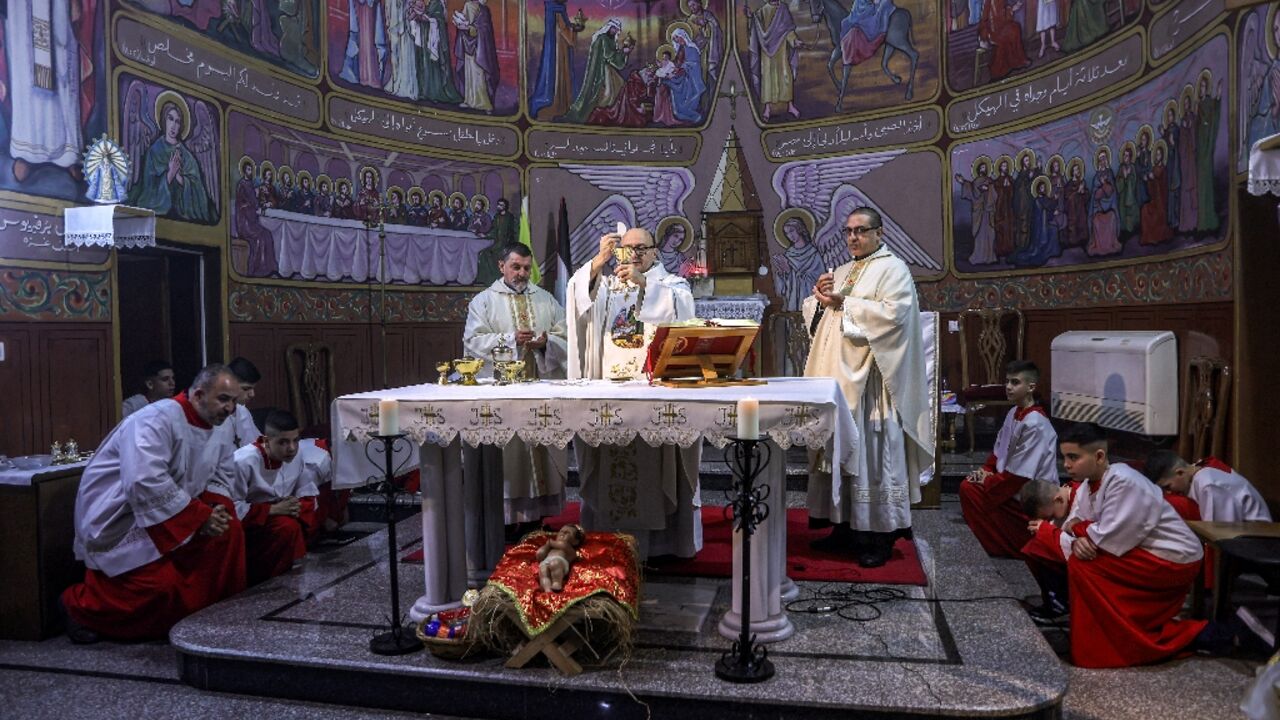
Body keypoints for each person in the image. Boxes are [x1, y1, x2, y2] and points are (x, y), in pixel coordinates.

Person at [60, 365, 246, 643]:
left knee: (229, 534)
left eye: (233, 401)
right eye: (223, 399)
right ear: (198, 395)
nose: (229, 408)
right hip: (124, 516)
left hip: (178, 511)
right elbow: (144, 480)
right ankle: (79, 606)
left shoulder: (222, 424)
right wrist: (199, 516)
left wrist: (216, 509)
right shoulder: (154, 419)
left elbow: (222, 471)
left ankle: (206, 614)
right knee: (162, 587)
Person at [803, 207, 934, 568]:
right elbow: (823, 317)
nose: (853, 237)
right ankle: (842, 527)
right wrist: (819, 300)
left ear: (879, 232)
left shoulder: (894, 269)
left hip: (873, 385)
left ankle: (879, 536)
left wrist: (843, 302)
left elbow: (895, 316)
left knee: (873, 456)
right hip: (839, 381)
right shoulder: (842, 271)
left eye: (860, 230)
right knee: (842, 452)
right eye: (848, 231)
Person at [566, 228, 701, 558]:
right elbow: (576, 298)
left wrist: (645, 285)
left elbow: (684, 312)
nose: (635, 254)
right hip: (610, 394)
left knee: (656, 468)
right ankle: (608, 539)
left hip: (654, 394)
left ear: (655, 252)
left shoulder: (671, 285)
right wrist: (596, 264)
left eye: (642, 248)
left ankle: (662, 546)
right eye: (627, 249)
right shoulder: (608, 286)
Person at [1057, 423, 1208, 668]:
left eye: (1073, 457)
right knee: (1075, 556)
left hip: (1173, 558)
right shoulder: (1085, 486)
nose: (1066, 465)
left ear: (1099, 456)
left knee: (1084, 565)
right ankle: (1111, 634)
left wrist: (1079, 531)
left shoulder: (1124, 480)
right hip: (1141, 552)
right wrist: (1078, 537)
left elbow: (1109, 536)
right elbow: (1076, 525)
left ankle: (1121, 642)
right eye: (1064, 457)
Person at [463, 243, 569, 535]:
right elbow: (472, 342)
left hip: (540, 394)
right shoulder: (484, 301)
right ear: (502, 266)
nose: (522, 273)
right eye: (515, 267)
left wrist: (546, 343)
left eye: (526, 267)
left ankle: (537, 518)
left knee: (540, 452)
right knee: (511, 458)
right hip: (504, 396)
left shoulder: (546, 299)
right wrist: (510, 340)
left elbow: (566, 336)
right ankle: (508, 521)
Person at [959, 360, 1059, 559]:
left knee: (971, 490)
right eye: (1007, 382)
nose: (1008, 387)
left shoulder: (1035, 424)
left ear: (1031, 387)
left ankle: (1010, 545)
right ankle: (995, 540)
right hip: (1009, 484)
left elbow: (1020, 476)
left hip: (1031, 496)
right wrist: (985, 470)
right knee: (968, 487)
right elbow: (1000, 450)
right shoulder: (1013, 413)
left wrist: (988, 481)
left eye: (1015, 382)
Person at [225, 409, 327, 585]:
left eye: (295, 440)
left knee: (296, 523)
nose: (292, 448)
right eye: (283, 442)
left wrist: (297, 505)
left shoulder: (296, 455)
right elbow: (230, 507)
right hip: (250, 527)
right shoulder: (243, 462)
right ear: (266, 441)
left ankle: (293, 577)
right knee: (286, 527)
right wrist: (272, 509)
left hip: (282, 515)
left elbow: (305, 489)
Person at [1143, 450, 1272, 523]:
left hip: (1257, 539)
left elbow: (1219, 533)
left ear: (1180, 472)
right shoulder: (1196, 472)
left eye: (1167, 487)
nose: (1169, 493)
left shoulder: (1208, 484)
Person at [1018, 478, 1081, 623]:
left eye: (1050, 517)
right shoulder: (1065, 498)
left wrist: (1045, 531)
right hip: (1074, 549)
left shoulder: (1081, 502)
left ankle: (1061, 605)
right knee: (1037, 545)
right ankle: (1056, 601)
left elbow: (1081, 545)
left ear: (1058, 500)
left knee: (1040, 545)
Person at [565, 19, 631, 124]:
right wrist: (623, 52)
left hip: (608, 68)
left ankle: (612, 113)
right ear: (609, 27)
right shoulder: (603, 38)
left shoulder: (610, 39)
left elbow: (612, 54)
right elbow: (609, 56)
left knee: (620, 86)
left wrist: (623, 52)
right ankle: (600, 113)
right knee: (608, 92)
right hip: (602, 69)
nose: (615, 31)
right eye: (614, 29)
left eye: (616, 30)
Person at [746, 0, 802, 120]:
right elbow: (756, 27)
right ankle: (767, 108)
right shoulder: (762, 11)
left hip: (781, 51)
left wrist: (794, 41)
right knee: (767, 79)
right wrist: (750, 17)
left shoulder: (783, 9)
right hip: (766, 52)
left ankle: (790, 105)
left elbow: (788, 30)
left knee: (786, 77)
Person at [454, 0, 500, 113]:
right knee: (469, 73)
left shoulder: (484, 10)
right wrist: (460, 25)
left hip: (479, 48)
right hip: (467, 44)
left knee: (479, 74)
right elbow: (464, 20)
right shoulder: (467, 5)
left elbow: (485, 29)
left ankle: (484, 103)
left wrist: (470, 28)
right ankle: (469, 100)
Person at [227, 356, 264, 448]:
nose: (252, 394)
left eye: (253, 388)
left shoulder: (242, 411)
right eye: (246, 388)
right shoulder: (213, 415)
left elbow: (257, 444)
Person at [536, 524, 584, 592]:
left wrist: (551, 543)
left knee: (555, 563)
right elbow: (539, 555)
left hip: (560, 562)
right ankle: (547, 589)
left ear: (575, 541)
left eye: (567, 533)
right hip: (546, 561)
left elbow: (563, 545)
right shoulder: (551, 547)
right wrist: (546, 546)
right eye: (561, 531)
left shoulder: (569, 549)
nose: (562, 533)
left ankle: (557, 583)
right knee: (543, 571)